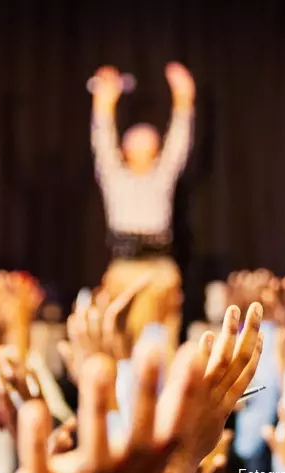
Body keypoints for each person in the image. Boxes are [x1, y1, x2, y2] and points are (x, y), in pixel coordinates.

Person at [89, 62, 195, 350]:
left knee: (162, 345)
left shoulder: (161, 177)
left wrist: (184, 98)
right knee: (122, 342)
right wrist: (104, 101)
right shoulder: (116, 177)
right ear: (125, 150)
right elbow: (102, 140)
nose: (142, 146)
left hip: (159, 268)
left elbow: (179, 142)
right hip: (124, 267)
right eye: (135, 142)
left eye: (149, 142)